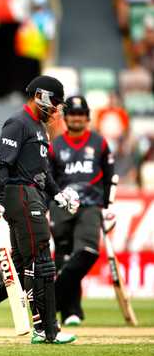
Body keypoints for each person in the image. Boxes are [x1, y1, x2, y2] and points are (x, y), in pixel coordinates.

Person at [0, 75, 80, 344]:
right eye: (54, 102)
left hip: (34, 195)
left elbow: (43, 171)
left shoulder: (40, 129)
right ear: (40, 96)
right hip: (19, 195)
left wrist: (59, 194)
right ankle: (46, 329)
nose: (56, 109)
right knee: (41, 259)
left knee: (19, 267)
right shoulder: (17, 123)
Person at [49, 96, 116, 326]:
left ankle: (51, 301)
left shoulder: (99, 142)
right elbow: (49, 180)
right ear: (66, 117)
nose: (77, 118)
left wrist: (108, 207)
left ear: (87, 117)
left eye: (81, 114)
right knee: (64, 257)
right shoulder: (55, 145)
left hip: (91, 205)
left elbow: (110, 178)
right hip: (61, 207)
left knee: (87, 251)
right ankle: (70, 312)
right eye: (73, 114)